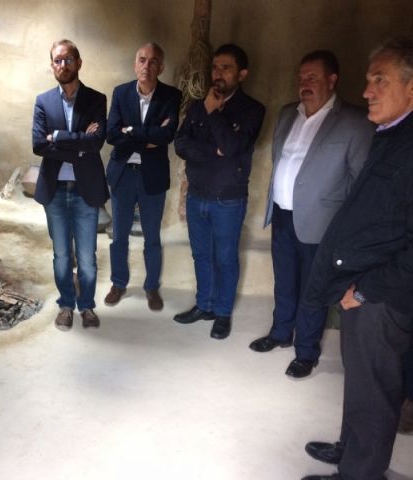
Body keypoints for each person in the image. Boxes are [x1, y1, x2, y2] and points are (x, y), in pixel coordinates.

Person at [301, 37, 413, 480]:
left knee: (375, 390)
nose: (367, 91)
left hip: (381, 295)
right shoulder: (392, 135)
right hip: (362, 284)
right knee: (361, 381)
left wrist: (365, 291)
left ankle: (359, 473)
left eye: (380, 80)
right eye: (369, 80)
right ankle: (350, 452)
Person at [249, 50, 374, 378]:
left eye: (312, 77)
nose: (304, 83)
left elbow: (360, 182)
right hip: (282, 215)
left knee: (312, 289)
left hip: (322, 224)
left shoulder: (354, 122)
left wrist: (346, 230)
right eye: (301, 77)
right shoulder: (287, 113)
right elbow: (280, 160)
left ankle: (306, 351)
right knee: (284, 281)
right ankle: (280, 333)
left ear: (332, 80)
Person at [173, 43, 265, 340]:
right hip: (197, 195)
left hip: (228, 200)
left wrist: (214, 114)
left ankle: (222, 313)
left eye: (226, 67)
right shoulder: (197, 105)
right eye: (215, 67)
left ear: (242, 74)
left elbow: (233, 146)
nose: (218, 73)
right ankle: (205, 305)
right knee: (201, 255)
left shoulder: (252, 110)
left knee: (225, 258)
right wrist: (214, 150)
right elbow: (180, 144)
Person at [32, 39, 109, 330]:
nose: (62, 65)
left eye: (67, 60)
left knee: (87, 258)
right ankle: (66, 305)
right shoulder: (43, 101)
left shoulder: (96, 99)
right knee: (62, 256)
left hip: (84, 190)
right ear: (52, 65)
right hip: (54, 192)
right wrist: (78, 144)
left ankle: (86, 306)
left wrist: (58, 137)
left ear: (78, 62)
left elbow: (96, 142)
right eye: (57, 60)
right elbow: (38, 145)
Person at [104, 42, 182, 311]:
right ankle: (118, 283)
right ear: (135, 64)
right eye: (142, 60)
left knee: (152, 237)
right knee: (119, 236)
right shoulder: (121, 92)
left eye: (153, 61)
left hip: (153, 176)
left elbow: (167, 135)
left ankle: (151, 287)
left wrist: (130, 131)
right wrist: (148, 137)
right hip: (123, 175)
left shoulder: (171, 96)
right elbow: (111, 134)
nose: (146, 65)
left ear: (161, 67)